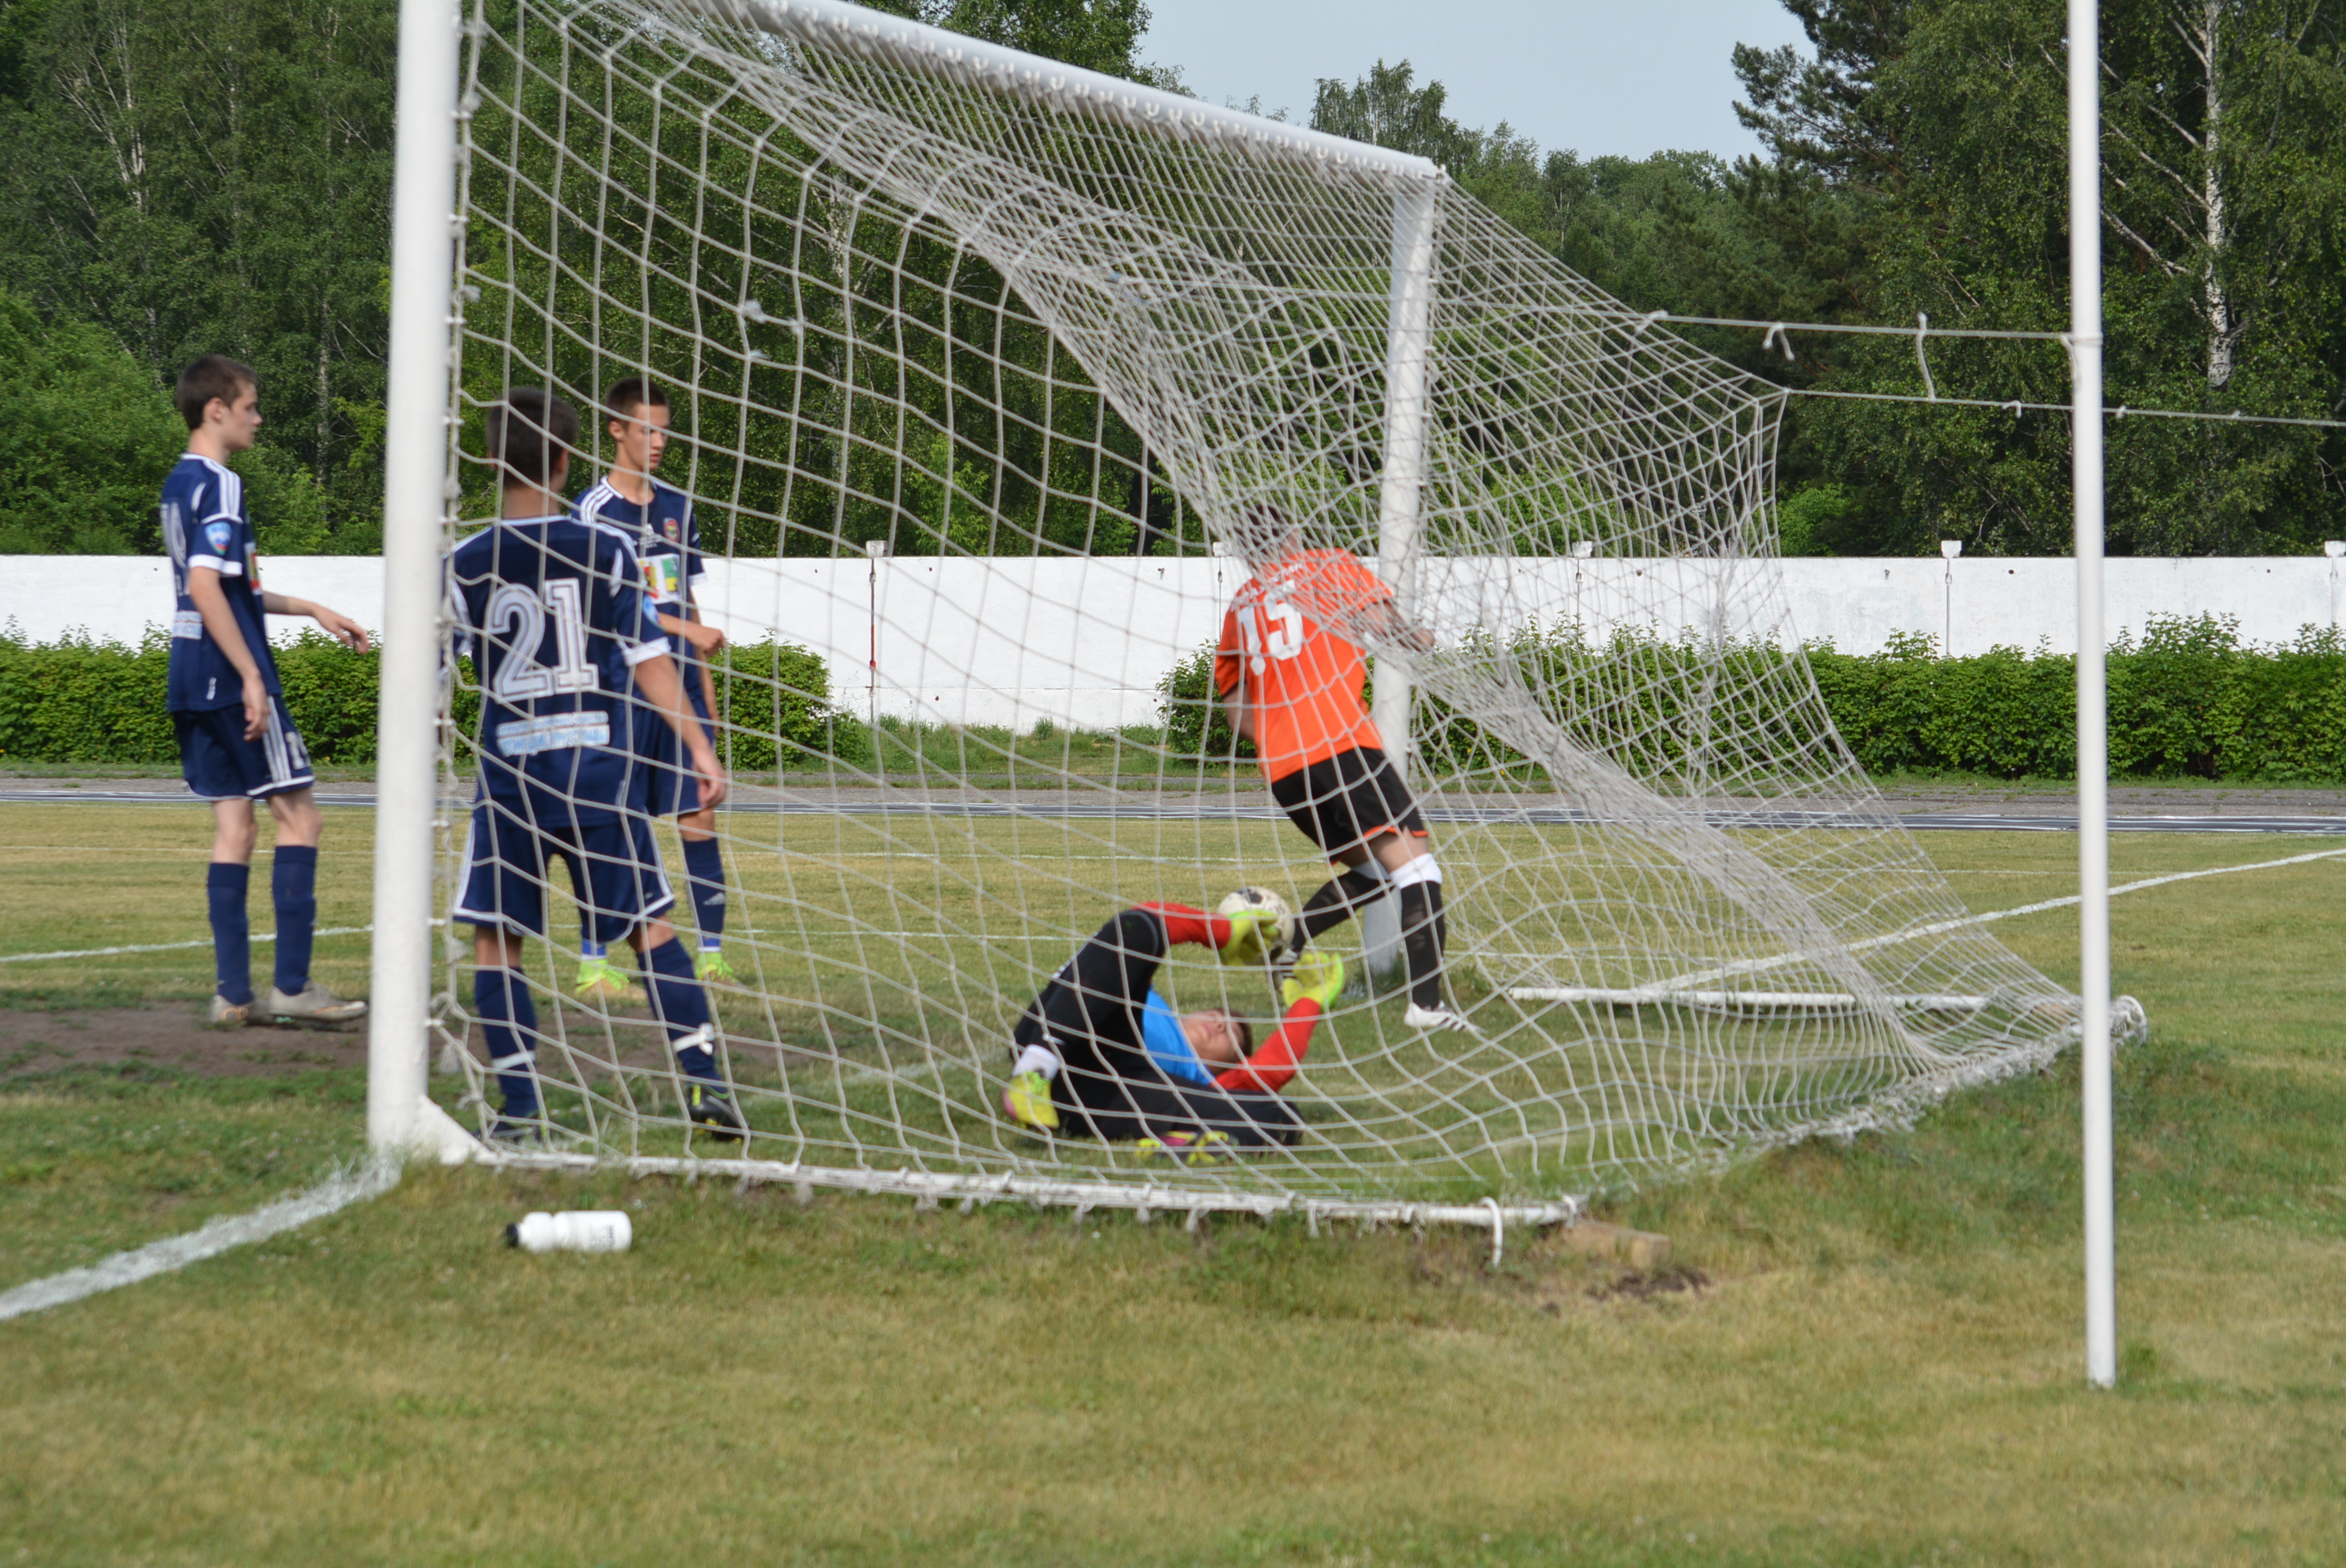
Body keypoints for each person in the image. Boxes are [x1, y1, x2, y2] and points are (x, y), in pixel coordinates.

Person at [447, 387, 744, 1145]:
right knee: (650, 928)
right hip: (596, 773)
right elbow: (649, 662)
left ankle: (519, 1109)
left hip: (511, 778)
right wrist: (702, 747)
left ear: (487, 458)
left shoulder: (464, 563)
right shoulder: (606, 549)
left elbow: (429, 672)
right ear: (567, 457)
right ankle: (706, 1085)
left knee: (498, 940)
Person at [162, 355, 371, 1029]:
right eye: (250, 405)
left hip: (191, 674)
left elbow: (225, 588)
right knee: (300, 818)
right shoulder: (221, 485)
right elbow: (203, 586)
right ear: (216, 410)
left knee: (235, 827)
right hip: (232, 675)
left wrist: (311, 607)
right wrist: (252, 675)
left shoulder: (178, 484)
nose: (258, 417)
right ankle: (291, 987)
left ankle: (231, 995)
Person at [1212, 508, 1470, 1032]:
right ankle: (1426, 1007)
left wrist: (1269, 736)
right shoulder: (1328, 565)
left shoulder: (1242, 603)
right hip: (1341, 748)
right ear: (1293, 533)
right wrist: (1417, 637)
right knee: (1417, 867)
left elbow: (1232, 695)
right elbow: (1383, 626)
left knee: (1377, 872)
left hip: (1285, 770)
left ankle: (1291, 945)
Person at [572, 376, 736, 1000]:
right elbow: (600, 607)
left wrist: (707, 704)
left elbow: (684, 600)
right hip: (620, 691)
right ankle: (594, 962)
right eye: (647, 428)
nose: (659, 440)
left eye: (665, 428)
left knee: (700, 814)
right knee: (616, 823)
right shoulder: (591, 511)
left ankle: (713, 956)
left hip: (680, 690)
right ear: (617, 431)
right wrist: (683, 629)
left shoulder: (677, 508)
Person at [999, 901, 1346, 1156]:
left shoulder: (1201, 1079)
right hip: (1065, 1026)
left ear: (1224, 1067)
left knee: (1283, 1114)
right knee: (1136, 928)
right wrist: (1221, 931)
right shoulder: (1144, 996)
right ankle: (1036, 1070)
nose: (1220, 1022)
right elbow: (1145, 920)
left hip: (1112, 1092)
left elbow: (1271, 1070)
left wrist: (1308, 1003)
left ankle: (1187, 1146)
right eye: (1215, 1013)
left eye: (1233, 1037)